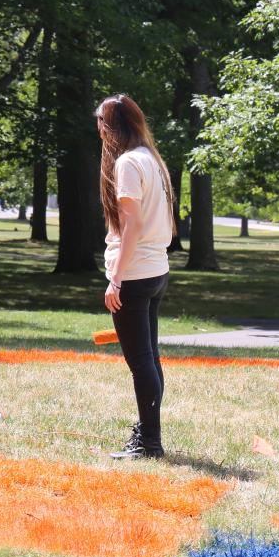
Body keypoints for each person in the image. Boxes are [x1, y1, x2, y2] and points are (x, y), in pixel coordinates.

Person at [96, 94, 175, 460]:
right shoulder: (152, 160)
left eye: (101, 120)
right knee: (149, 358)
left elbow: (132, 224)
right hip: (156, 269)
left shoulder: (128, 162)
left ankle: (149, 443)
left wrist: (116, 278)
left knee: (141, 362)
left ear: (114, 125)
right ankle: (149, 435)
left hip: (136, 273)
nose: (98, 127)